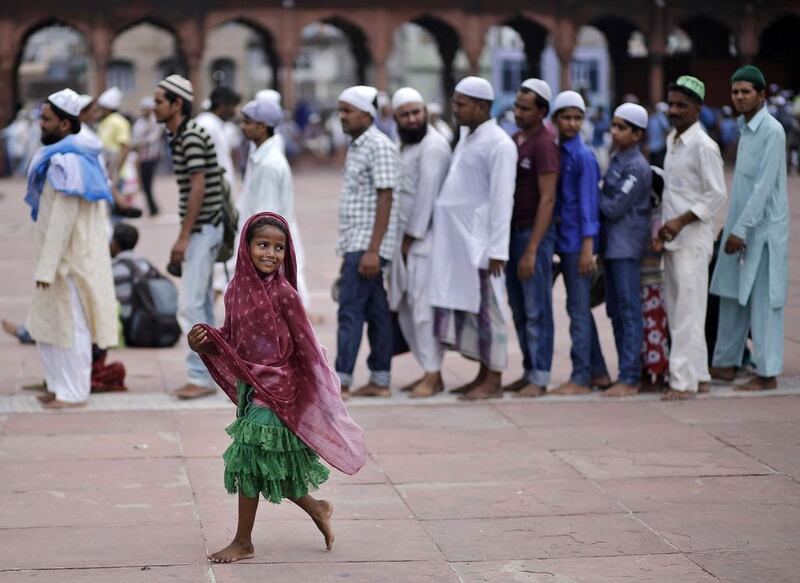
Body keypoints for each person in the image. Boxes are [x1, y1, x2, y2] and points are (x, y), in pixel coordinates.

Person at [188, 212, 365, 563]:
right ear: (246, 247)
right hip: (253, 389)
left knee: (248, 462)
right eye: (262, 245)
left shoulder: (285, 295)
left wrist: (318, 392)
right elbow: (233, 341)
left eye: (279, 247)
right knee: (270, 465)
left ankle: (243, 541)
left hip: (281, 389)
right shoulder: (237, 290)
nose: (270, 253)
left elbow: (307, 346)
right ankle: (317, 508)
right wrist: (203, 345)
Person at [24, 88, 118, 408]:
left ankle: (74, 391)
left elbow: (63, 221)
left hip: (70, 261)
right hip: (56, 258)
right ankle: (56, 384)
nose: (41, 124)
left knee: (71, 327)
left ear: (65, 125)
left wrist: (48, 267)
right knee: (49, 324)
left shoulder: (69, 162)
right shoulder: (61, 156)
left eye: (47, 120)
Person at [429, 76, 517, 401]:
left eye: (461, 104)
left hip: (482, 245)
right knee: (471, 312)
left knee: (489, 313)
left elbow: (501, 200)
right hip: (459, 246)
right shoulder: (468, 137)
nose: (455, 109)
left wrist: (498, 249)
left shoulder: (500, 144)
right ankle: (482, 373)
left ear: (481, 106)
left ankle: (494, 380)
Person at [709, 66, 788, 392]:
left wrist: (740, 229)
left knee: (763, 300)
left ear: (761, 95)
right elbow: (742, 188)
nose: (739, 97)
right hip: (739, 227)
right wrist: (732, 227)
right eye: (735, 92)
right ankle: (725, 364)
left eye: (745, 92)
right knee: (729, 294)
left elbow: (764, 187)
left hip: (764, 230)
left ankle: (766, 373)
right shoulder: (744, 128)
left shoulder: (772, 130)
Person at [153, 75, 225, 399]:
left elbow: (199, 186)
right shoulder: (181, 134)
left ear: (176, 104)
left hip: (203, 227)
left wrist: (184, 237)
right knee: (201, 305)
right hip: (203, 227)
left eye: (159, 101)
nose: (154, 107)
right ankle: (216, 371)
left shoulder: (191, 136)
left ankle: (200, 376)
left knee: (191, 304)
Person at [655, 76, 726, 401]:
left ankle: (682, 383)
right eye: (671, 104)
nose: (674, 110)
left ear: (698, 109)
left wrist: (681, 221)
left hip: (694, 240)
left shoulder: (703, 146)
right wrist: (665, 227)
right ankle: (699, 374)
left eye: (682, 106)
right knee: (680, 310)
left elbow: (717, 195)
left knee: (687, 313)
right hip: (673, 239)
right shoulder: (673, 141)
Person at [386, 87, 452, 398]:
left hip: (424, 242)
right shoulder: (404, 145)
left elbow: (426, 198)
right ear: (395, 118)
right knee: (406, 306)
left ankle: (434, 373)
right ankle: (428, 368)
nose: (413, 119)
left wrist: (409, 239)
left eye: (417, 112)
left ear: (425, 112)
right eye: (406, 115)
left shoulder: (433, 146)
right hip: (404, 243)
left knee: (423, 309)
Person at [334, 85, 399, 398]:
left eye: (348, 111)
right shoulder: (358, 145)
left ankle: (341, 380)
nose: (342, 117)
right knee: (375, 312)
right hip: (357, 241)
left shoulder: (378, 145)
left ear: (367, 113)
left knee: (350, 310)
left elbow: (386, 196)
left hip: (366, 244)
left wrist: (373, 250)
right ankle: (380, 379)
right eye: (341, 111)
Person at [547, 91, 610, 395]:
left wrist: (588, 247)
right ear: (555, 119)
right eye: (566, 117)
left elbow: (589, 206)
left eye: (577, 118)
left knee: (578, 310)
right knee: (579, 308)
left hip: (577, 244)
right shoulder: (560, 152)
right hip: (564, 240)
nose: (572, 124)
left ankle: (581, 376)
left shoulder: (584, 157)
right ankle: (598, 372)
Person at [503, 78, 559, 398]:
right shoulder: (517, 139)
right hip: (512, 234)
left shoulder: (545, 143)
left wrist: (533, 249)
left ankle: (540, 375)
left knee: (537, 307)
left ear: (541, 111)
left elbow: (548, 199)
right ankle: (528, 370)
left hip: (532, 235)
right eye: (517, 107)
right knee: (519, 307)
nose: (518, 113)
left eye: (525, 109)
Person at [234, 99, 311, 307]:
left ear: (262, 126)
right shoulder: (260, 157)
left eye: (247, 122)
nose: (243, 127)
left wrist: (257, 254)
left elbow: (264, 220)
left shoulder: (269, 164)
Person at [598, 103, 652, 397]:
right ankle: (626, 370)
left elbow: (614, 206)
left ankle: (630, 376)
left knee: (629, 312)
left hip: (626, 247)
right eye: (614, 125)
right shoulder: (618, 159)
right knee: (617, 312)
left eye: (622, 127)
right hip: (612, 247)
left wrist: (590, 191)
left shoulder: (635, 167)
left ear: (638, 134)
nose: (614, 132)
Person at [196, 86, 241, 191]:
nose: (234, 112)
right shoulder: (205, 124)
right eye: (233, 106)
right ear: (222, 106)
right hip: (211, 192)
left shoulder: (218, 124)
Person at [132, 96, 163, 215]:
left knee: (147, 183)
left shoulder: (155, 121)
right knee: (144, 184)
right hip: (140, 157)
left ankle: (153, 208)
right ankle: (152, 207)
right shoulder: (140, 122)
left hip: (150, 157)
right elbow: (135, 139)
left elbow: (153, 138)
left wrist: (141, 141)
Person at [96, 87, 131, 188]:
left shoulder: (119, 122)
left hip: (116, 173)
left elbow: (125, 148)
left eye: (102, 107)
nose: (100, 110)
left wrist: (116, 173)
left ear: (108, 108)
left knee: (116, 202)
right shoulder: (104, 122)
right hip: (106, 171)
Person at [647, 102, 669, 167]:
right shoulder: (651, 119)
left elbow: (666, 130)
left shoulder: (659, 117)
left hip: (659, 147)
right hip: (652, 148)